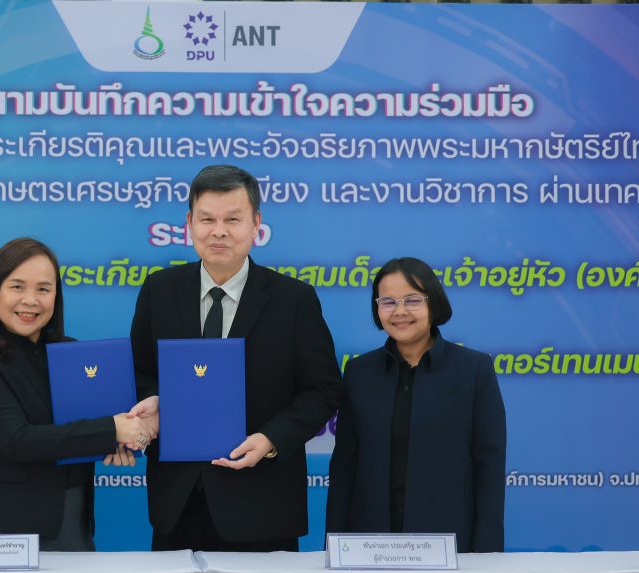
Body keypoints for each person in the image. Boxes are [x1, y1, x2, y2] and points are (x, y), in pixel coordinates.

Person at [129, 164, 343, 552]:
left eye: (232, 219)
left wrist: (271, 439)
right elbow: (140, 371)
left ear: (256, 223)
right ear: (189, 223)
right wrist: (155, 401)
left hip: (263, 503)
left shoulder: (293, 300)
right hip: (177, 502)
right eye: (207, 219)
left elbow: (323, 390)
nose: (219, 231)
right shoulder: (159, 290)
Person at [0, 237, 155, 551]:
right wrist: (111, 430)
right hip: (2, 526)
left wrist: (119, 443)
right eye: (17, 286)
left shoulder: (70, 353)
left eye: (44, 289)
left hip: (73, 520)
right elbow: (16, 440)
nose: (31, 300)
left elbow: (87, 427)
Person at [325, 257, 506, 552]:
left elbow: (489, 467)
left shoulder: (474, 369)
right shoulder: (359, 373)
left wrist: (487, 552)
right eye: (388, 302)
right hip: (370, 544)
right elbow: (345, 467)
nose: (400, 312)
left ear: (434, 303)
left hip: (450, 544)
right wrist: (334, 546)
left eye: (412, 300)